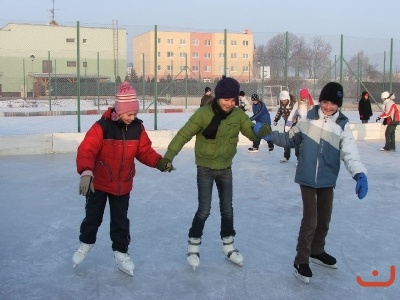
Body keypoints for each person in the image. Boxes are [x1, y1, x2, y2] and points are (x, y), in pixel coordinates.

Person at [254, 82, 368, 284]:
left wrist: (359, 174)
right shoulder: (308, 120)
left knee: (324, 219)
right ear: (320, 100)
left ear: (338, 105)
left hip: (327, 178)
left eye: (333, 103)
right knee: (311, 220)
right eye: (325, 101)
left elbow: (350, 153)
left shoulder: (342, 125)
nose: (328, 106)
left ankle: (317, 250)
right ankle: (301, 260)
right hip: (307, 177)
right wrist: (269, 134)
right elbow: (289, 138)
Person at [160, 76, 271, 270]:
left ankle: (229, 246)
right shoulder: (203, 114)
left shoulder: (238, 116)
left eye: (232, 99)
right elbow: (184, 134)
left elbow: (251, 133)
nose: (229, 103)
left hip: (225, 168)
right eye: (225, 99)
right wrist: (169, 156)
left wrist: (263, 132)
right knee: (204, 210)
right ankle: (193, 245)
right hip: (205, 168)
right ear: (218, 97)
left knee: (227, 209)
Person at [73, 81, 174, 276]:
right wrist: (86, 172)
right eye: (129, 114)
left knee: (120, 222)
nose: (132, 117)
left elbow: (144, 151)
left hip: (123, 185)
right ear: (119, 111)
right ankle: (85, 243)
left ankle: (121, 253)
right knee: (93, 217)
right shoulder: (102, 127)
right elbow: (86, 149)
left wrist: (159, 162)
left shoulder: (137, 128)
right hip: (100, 183)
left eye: (135, 114)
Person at [284, 88, 317, 162]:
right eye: (303, 98)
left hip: (311, 128)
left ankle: (309, 159)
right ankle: (299, 159)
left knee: (308, 145)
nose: (304, 100)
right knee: (298, 144)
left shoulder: (314, 104)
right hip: (301, 127)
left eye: (306, 98)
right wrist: (287, 127)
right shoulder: (297, 104)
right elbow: (292, 115)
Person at [273, 90, 294, 162]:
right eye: (282, 101)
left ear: (288, 99)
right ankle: (286, 156)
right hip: (287, 123)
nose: (283, 102)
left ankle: (299, 158)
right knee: (286, 139)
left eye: (285, 100)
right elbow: (279, 112)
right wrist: (276, 120)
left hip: (295, 124)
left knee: (297, 140)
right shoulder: (281, 105)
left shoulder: (293, 104)